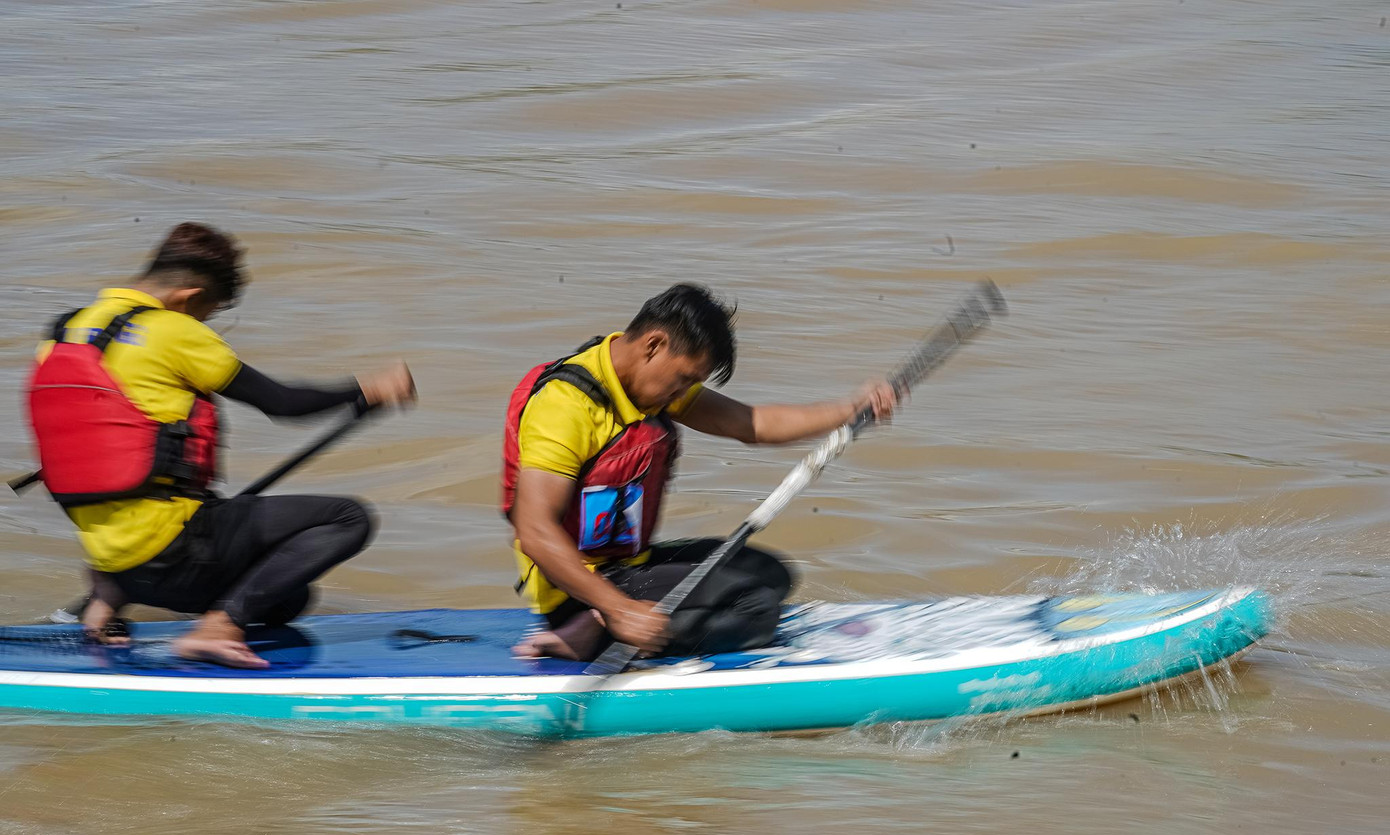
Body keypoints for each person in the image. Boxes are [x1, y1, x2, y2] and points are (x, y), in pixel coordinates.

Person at [24, 222, 415, 668]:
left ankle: (108, 595)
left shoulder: (65, 331)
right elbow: (283, 403)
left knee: (287, 598)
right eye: (208, 312)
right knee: (349, 518)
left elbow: (84, 441)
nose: (206, 323)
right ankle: (218, 628)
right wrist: (367, 390)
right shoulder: (171, 329)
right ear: (188, 297)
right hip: (174, 556)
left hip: (111, 554)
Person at [502, 283, 898, 661]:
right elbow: (534, 530)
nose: (684, 394)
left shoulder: (642, 378)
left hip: (626, 569)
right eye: (684, 380)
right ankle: (589, 630)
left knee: (769, 573)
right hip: (578, 590)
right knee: (754, 608)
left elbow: (750, 423)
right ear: (654, 345)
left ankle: (612, 620)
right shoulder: (565, 407)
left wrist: (849, 410)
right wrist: (617, 608)